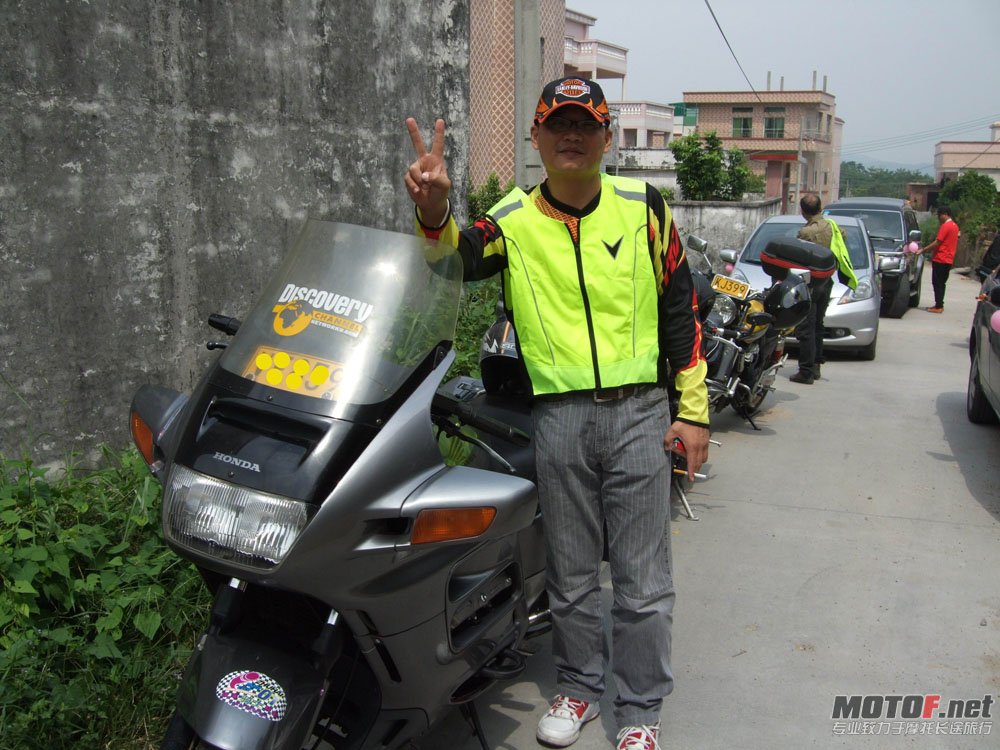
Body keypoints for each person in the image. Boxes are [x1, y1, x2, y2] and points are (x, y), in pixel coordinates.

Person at [404, 77, 710, 750]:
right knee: (570, 573)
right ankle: (578, 686)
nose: (572, 135)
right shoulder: (511, 218)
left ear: (606, 136)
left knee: (641, 581)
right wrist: (434, 212)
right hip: (559, 419)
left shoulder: (644, 207)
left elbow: (680, 312)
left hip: (639, 414)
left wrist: (694, 413)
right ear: (535, 136)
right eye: (557, 124)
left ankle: (637, 710)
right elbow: (456, 263)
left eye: (586, 124)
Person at [788, 193, 857, 385]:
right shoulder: (833, 227)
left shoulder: (806, 233)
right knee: (818, 325)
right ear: (820, 208)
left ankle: (806, 371)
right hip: (827, 281)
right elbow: (843, 237)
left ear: (803, 211)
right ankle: (816, 365)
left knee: (805, 328)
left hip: (810, 284)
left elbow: (798, 256)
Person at [919, 206, 960, 313]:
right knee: (942, 283)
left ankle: (938, 306)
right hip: (948, 259)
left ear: (945, 214)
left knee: (937, 283)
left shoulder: (945, 226)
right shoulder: (955, 226)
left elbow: (938, 242)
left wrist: (923, 250)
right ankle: (939, 304)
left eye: (939, 215)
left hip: (941, 258)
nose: (938, 218)